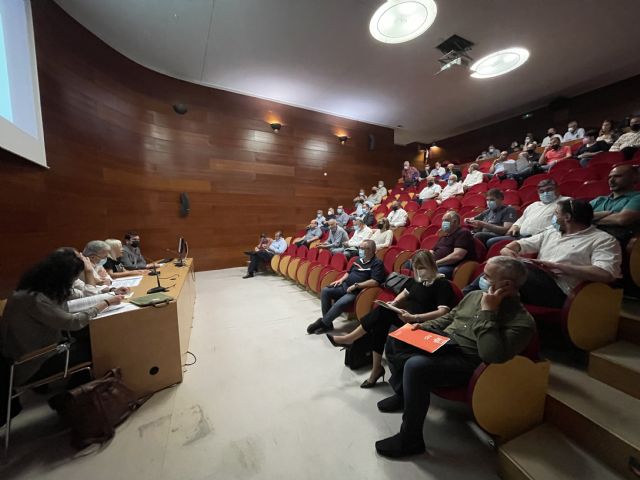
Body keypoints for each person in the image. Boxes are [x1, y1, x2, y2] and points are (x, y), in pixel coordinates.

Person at [374, 256, 535, 458]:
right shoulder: (475, 295)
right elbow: (449, 317)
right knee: (396, 338)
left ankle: (411, 439)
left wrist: (489, 312)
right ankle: (403, 394)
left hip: (468, 361)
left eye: (487, 276)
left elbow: (490, 354)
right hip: (443, 342)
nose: (481, 278)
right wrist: (420, 326)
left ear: (506, 285)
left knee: (416, 366)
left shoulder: (522, 322)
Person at [1, 249, 123, 425]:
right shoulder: (35, 300)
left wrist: (108, 292)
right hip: (31, 363)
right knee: (99, 346)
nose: (74, 282)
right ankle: (74, 401)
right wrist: (106, 303)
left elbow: (66, 305)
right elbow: (73, 322)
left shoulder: (30, 290)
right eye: (73, 278)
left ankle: (74, 392)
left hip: (27, 354)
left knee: (87, 336)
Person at [327, 250, 458, 388]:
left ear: (432, 266)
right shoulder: (418, 281)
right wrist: (394, 303)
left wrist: (416, 317)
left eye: (422, 268)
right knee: (381, 319)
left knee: (382, 315)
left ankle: (351, 340)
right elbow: (405, 292)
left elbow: (443, 312)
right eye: (416, 268)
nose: (418, 272)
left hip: (424, 324)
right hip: (408, 317)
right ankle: (375, 368)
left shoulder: (442, 284)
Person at [500, 199, 621, 308]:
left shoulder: (603, 240)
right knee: (501, 270)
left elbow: (606, 274)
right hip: (539, 280)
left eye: (556, 213)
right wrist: (508, 250)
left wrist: (558, 267)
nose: (553, 217)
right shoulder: (552, 232)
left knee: (510, 274)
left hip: (564, 291)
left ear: (567, 217)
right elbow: (521, 244)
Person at [306, 240, 385, 334]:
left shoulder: (377, 263)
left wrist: (357, 285)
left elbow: (375, 281)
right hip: (345, 285)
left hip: (357, 291)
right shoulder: (358, 259)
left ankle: (323, 323)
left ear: (372, 250)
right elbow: (348, 272)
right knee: (325, 291)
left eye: (363, 248)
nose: (360, 250)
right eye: (360, 248)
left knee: (340, 303)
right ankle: (328, 324)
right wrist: (341, 280)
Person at [485, 179, 569, 248]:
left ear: (557, 189)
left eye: (549, 190)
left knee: (491, 242)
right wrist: (515, 226)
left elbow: (563, 224)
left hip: (539, 238)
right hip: (518, 236)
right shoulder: (534, 205)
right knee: (489, 241)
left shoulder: (565, 202)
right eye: (542, 191)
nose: (545, 193)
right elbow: (521, 220)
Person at [590, 165, 640, 244]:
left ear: (634, 178)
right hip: (589, 237)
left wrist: (589, 218)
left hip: (613, 240)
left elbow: (622, 219)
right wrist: (604, 214)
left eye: (617, 176)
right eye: (610, 177)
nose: (611, 180)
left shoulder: (637, 197)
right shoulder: (599, 200)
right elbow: (575, 217)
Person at [432, 211, 477, 278]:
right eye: (442, 221)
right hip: (436, 263)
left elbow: (457, 256)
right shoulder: (445, 235)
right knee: (412, 264)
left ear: (455, 222)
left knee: (432, 273)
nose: (443, 223)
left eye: (446, 220)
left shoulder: (463, 233)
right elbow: (432, 250)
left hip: (451, 266)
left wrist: (435, 263)